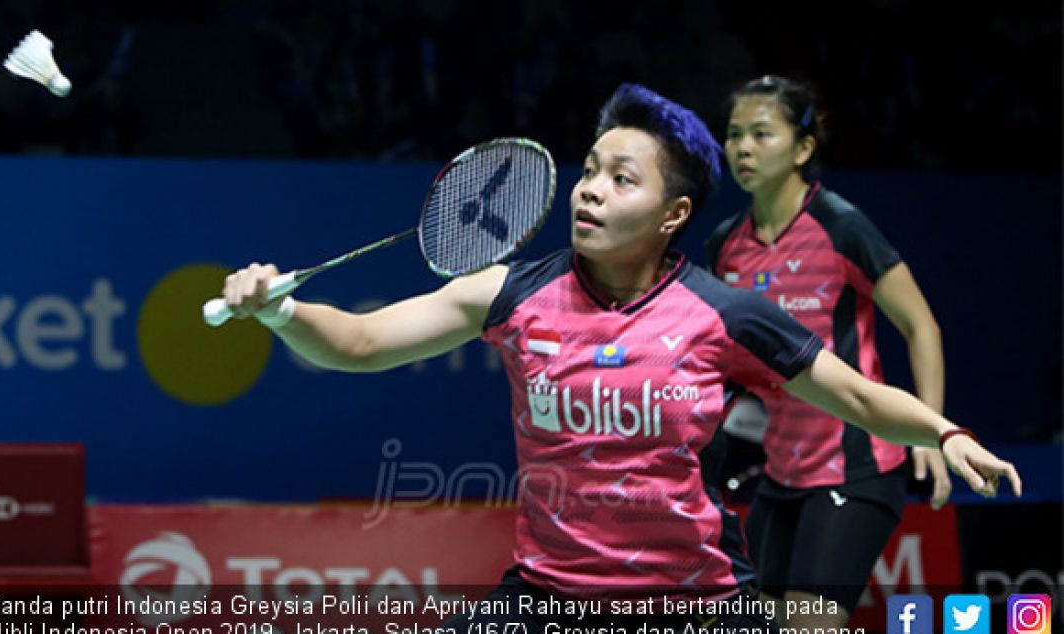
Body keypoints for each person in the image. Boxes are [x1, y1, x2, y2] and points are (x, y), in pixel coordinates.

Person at [222, 83, 1019, 633]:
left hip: (694, 601)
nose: (590, 190)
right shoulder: (511, 293)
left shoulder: (723, 311)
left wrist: (944, 434)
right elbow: (359, 344)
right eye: (592, 170)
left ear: (675, 213)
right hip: (549, 596)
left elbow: (857, 397)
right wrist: (281, 310)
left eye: (621, 178)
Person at [706, 75, 952, 628]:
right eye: (734, 134)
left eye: (761, 134)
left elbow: (921, 326)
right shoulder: (726, 246)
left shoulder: (840, 227)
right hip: (780, 475)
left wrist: (932, 432)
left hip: (856, 471)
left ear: (803, 148)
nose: (743, 147)